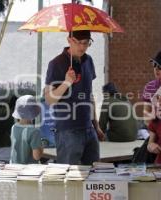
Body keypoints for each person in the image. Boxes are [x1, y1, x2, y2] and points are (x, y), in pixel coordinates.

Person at [44, 30, 105, 165]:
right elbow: (48, 99)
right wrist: (66, 83)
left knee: (94, 175)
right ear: (69, 40)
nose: (82, 47)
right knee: (67, 178)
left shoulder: (89, 60)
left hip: (89, 128)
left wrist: (96, 125)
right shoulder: (56, 63)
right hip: (67, 130)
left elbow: (89, 95)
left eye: (86, 43)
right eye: (78, 43)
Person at [10, 95, 43, 164]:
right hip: (29, 170)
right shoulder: (34, 131)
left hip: (13, 167)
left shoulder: (14, 127)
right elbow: (36, 156)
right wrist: (41, 148)